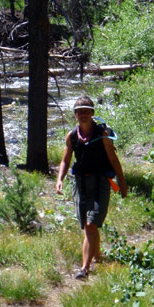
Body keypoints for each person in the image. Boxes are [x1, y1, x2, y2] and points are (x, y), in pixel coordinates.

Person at [56, 96, 128, 279]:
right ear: (75, 115)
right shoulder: (72, 136)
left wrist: (122, 182)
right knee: (89, 226)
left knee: (91, 224)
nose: (83, 114)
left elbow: (113, 159)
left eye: (87, 111)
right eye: (79, 111)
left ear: (93, 113)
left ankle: (84, 269)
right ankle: (98, 257)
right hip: (80, 183)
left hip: (100, 183)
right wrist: (60, 179)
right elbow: (66, 159)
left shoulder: (102, 134)